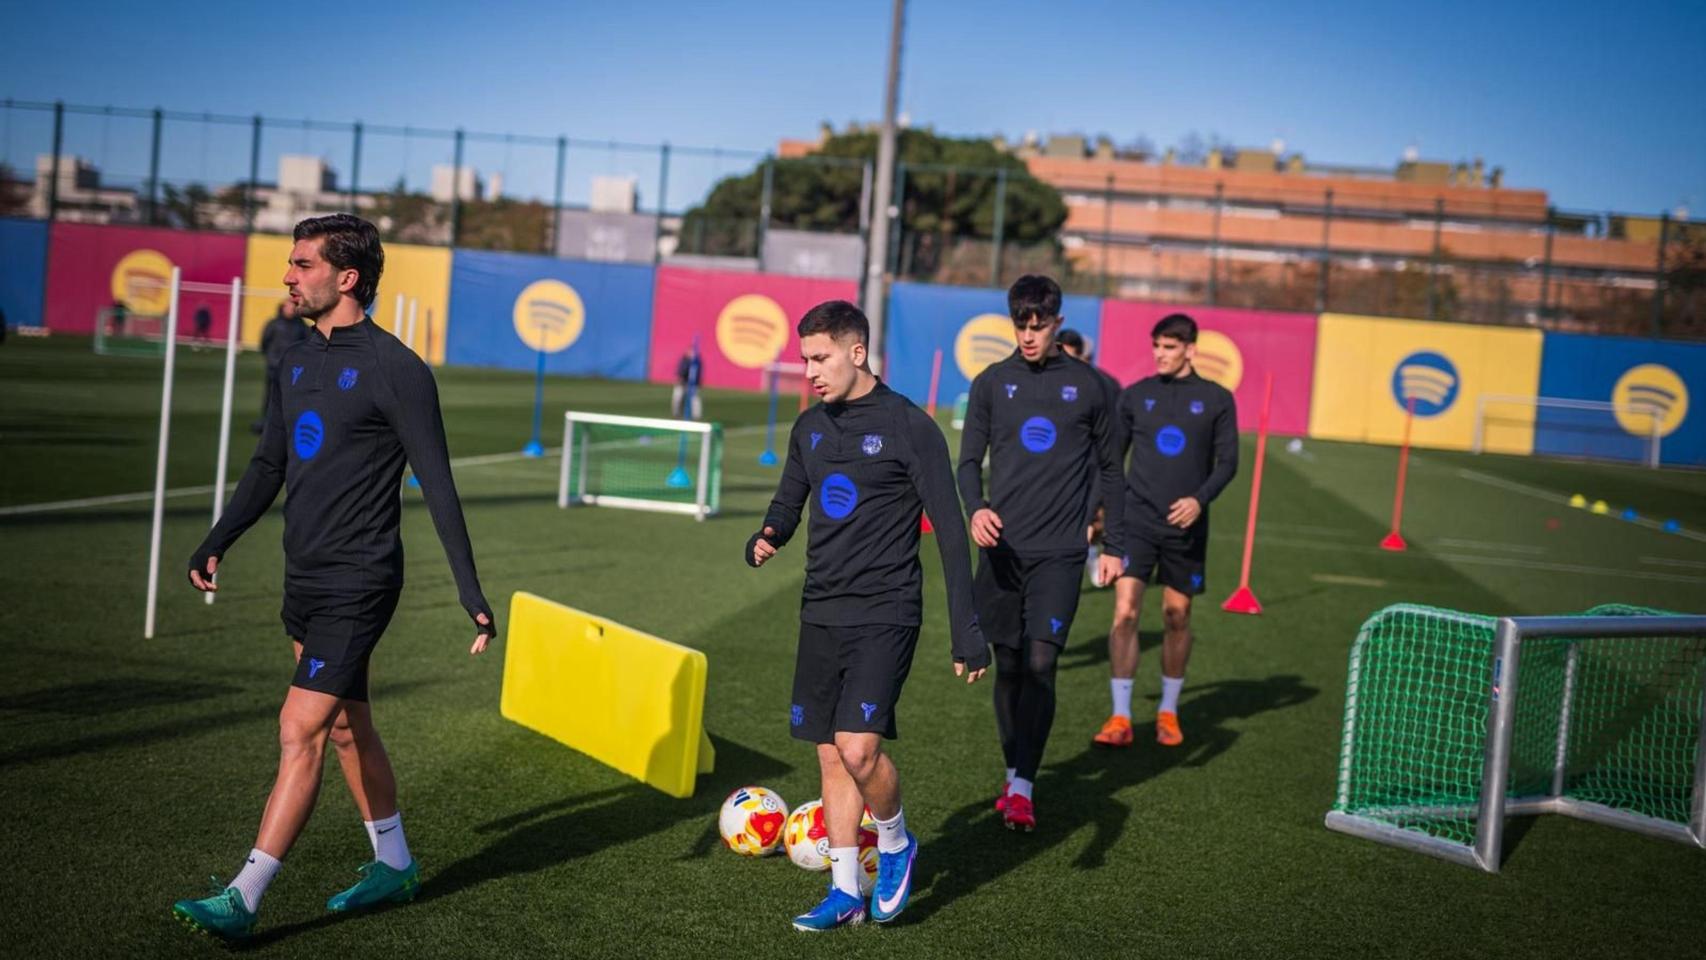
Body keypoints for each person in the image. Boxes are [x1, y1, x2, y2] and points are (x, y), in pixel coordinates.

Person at [171, 214, 497, 941]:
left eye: (301, 264)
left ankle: (245, 894)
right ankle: (394, 862)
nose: (288, 275)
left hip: (360, 581)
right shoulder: (293, 358)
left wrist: (470, 592)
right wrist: (218, 539)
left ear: (346, 278)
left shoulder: (397, 368)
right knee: (349, 727)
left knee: (300, 730)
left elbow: (438, 484)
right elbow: (269, 466)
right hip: (305, 578)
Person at [747, 300, 987, 931]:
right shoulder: (810, 428)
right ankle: (846, 890)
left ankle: (898, 842)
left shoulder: (911, 426)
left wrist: (968, 629)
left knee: (858, 749)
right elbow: (790, 498)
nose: (810, 373)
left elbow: (953, 536)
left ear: (858, 352)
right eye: (804, 360)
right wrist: (769, 533)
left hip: (886, 611)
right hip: (820, 610)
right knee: (829, 755)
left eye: (820, 358)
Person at [957, 276, 1124, 832]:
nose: (1029, 336)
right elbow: (966, 464)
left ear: (1057, 323)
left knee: (1041, 663)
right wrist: (976, 507)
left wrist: (1113, 544)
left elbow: (1111, 471)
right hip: (1001, 552)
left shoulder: (1092, 387)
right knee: (1007, 666)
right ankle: (1014, 772)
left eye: (1039, 326)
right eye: (1021, 326)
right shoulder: (990, 383)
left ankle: (1024, 785)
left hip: (1059, 554)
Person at [1092, 313, 1237, 749]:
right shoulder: (1136, 397)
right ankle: (1120, 716)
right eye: (1157, 346)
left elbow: (1228, 463)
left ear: (1191, 349)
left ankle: (1168, 713)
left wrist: (1199, 500)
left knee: (1177, 616)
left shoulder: (1216, 399)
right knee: (1126, 613)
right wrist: (1100, 515)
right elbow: (1112, 463)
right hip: (1137, 522)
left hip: (1185, 527)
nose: (1160, 354)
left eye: (1170, 347)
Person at [1056, 328, 1124, 587]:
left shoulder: (1106, 385)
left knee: (1092, 518)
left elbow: (1114, 434)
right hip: (1060, 467)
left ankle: (1093, 552)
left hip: (1093, 464)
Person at [256, 304, 309, 433]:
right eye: (288, 307)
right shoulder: (274, 324)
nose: (291, 309)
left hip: (294, 368)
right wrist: (270, 357)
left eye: (293, 307)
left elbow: (308, 343)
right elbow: (264, 342)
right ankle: (266, 423)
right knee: (271, 395)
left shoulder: (301, 325)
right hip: (274, 366)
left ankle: (288, 423)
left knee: (292, 396)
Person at [672, 345, 703, 420]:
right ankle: (677, 414)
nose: (690, 353)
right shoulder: (684, 360)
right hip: (682, 382)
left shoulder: (697, 361)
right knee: (677, 397)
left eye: (691, 352)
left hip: (693, 384)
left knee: (695, 399)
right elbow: (681, 371)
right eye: (689, 351)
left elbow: (697, 372)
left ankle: (696, 416)